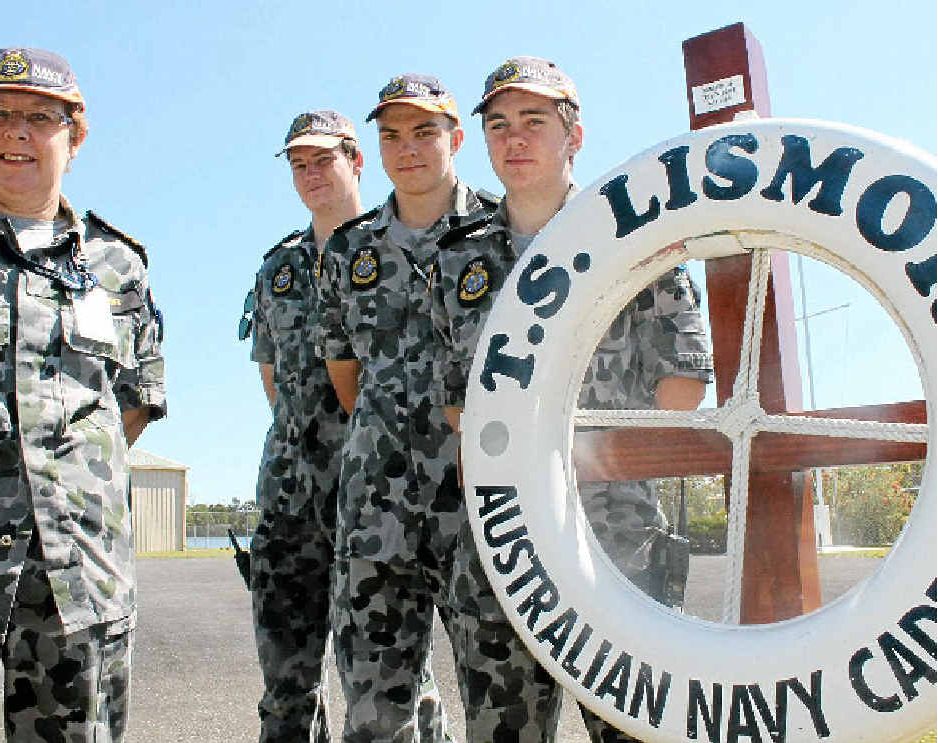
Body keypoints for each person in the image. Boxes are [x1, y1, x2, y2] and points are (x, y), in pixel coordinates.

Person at [432, 57, 714, 742]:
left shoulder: (630, 237)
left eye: (534, 122)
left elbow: (685, 379)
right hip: (501, 546)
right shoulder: (457, 258)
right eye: (498, 125)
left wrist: (597, 456)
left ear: (574, 137)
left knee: (634, 731)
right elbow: (456, 402)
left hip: (613, 541)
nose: (514, 139)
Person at [317, 74, 562, 742]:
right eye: (391, 134)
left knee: (506, 699)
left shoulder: (502, 229)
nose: (408, 148)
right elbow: (346, 380)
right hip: (378, 510)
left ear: (455, 138)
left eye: (425, 131)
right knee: (374, 710)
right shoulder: (347, 251)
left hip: (484, 502)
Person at [0, 47, 166, 741]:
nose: (17, 131)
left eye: (40, 117)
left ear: (75, 136)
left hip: (80, 588)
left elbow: (131, 405)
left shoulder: (118, 266)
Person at [240, 109, 447, 742]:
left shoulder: (394, 247)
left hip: (383, 495)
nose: (311, 175)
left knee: (398, 683)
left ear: (355, 161)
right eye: (299, 165)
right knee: (285, 685)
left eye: (323, 160)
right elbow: (274, 380)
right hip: (292, 499)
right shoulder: (277, 270)